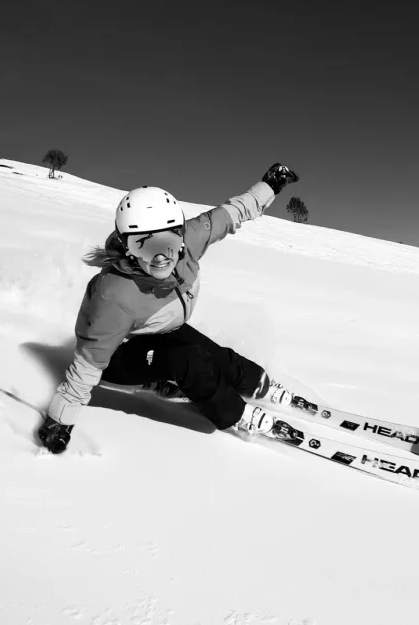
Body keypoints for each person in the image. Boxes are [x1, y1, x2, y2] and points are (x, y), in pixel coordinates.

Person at [37, 164, 301, 454]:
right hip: (115, 359)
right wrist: (59, 421)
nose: (161, 258)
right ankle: (236, 414)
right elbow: (87, 365)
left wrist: (268, 186)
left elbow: (233, 211)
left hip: (156, 331)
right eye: (145, 246)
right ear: (127, 248)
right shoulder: (115, 295)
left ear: (181, 235)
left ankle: (260, 385)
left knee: (215, 356)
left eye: (169, 243)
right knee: (188, 361)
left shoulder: (192, 240)